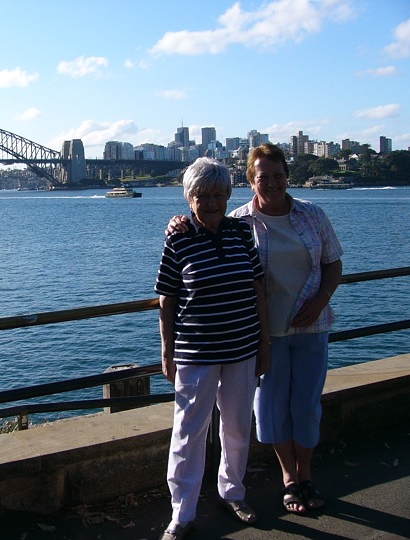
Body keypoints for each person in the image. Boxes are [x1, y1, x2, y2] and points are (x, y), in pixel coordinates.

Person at [166, 143, 343, 516]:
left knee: (290, 410)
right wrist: (166, 352)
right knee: (254, 412)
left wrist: (320, 300)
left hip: (288, 333)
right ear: (251, 181)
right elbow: (170, 295)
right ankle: (190, 508)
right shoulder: (228, 225)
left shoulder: (303, 217)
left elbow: (328, 265)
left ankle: (285, 479)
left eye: (278, 175)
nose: (272, 182)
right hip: (235, 341)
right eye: (263, 176)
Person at [156, 157, 270, 540]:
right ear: (189, 197)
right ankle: (182, 512)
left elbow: (258, 290)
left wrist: (264, 342)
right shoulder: (178, 237)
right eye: (204, 195)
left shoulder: (241, 232)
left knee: (238, 426)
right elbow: (167, 299)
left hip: (242, 346)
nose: (213, 203)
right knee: (188, 432)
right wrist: (167, 351)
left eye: (220, 194)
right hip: (196, 353)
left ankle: (232, 492)